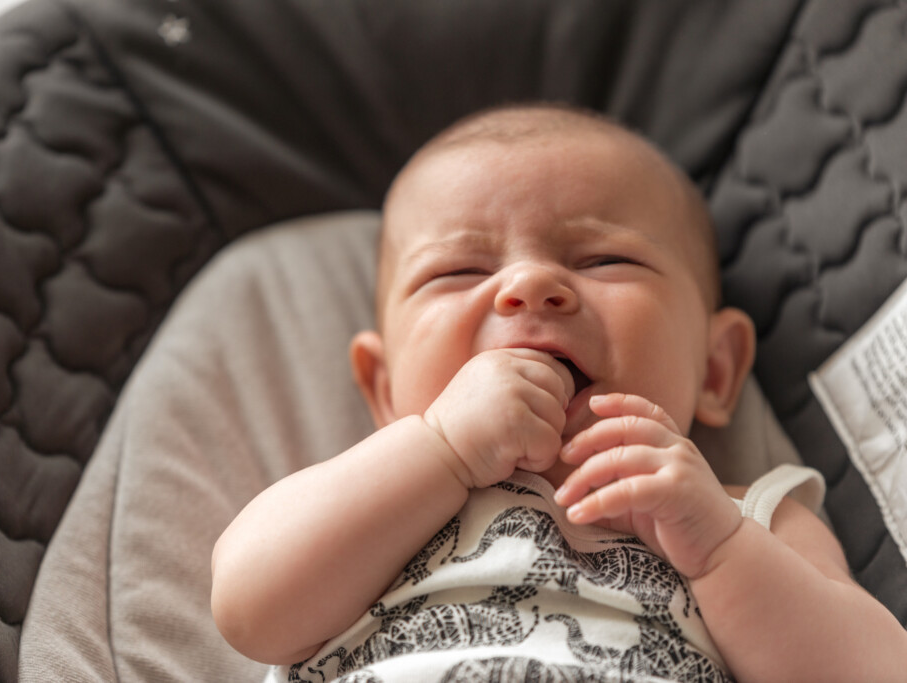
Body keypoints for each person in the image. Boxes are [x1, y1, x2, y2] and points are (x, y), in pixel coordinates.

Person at [211, 104, 907, 682]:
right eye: (458, 271)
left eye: (605, 258)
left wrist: (721, 550)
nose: (530, 285)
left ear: (716, 370)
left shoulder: (750, 517)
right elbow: (248, 608)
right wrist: (443, 448)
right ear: (385, 388)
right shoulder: (371, 501)